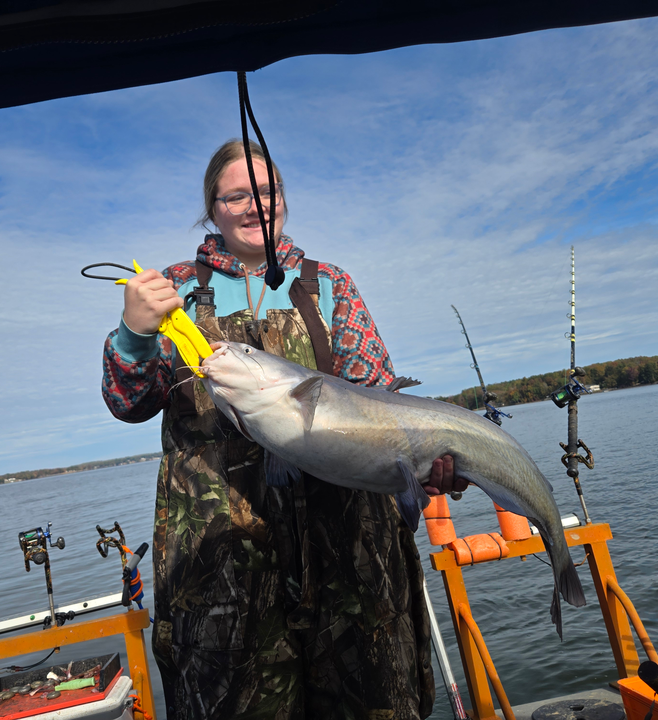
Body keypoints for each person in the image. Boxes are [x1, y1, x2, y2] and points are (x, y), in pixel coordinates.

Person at [102, 140, 467, 720]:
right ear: (212, 208)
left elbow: (378, 391)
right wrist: (133, 332)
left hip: (350, 553)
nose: (255, 206)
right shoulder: (172, 293)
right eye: (237, 195)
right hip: (223, 571)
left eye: (267, 192)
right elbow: (128, 403)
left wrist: (433, 459)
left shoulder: (329, 286)